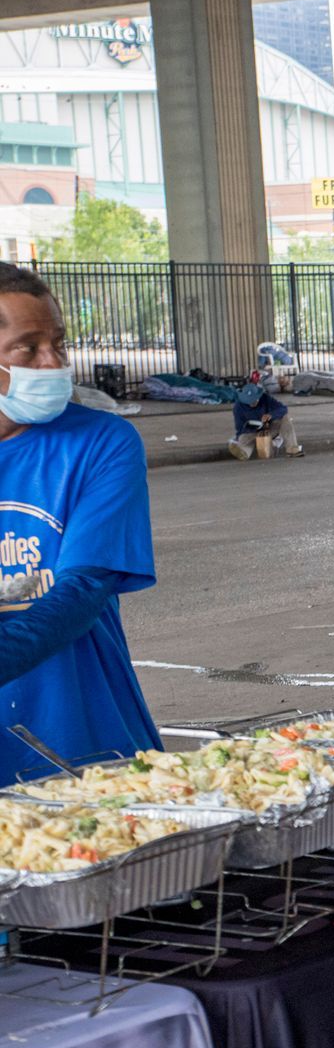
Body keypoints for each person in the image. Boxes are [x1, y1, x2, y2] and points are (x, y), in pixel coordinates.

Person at [0, 264, 160, 783]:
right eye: (27, 347)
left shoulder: (101, 442)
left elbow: (85, 589)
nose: (52, 363)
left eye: (58, 343)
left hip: (82, 734)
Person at [227, 377, 302, 459]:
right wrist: (245, 433)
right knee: (243, 439)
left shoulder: (265, 398)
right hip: (252, 433)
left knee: (285, 418)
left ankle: (292, 449)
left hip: (269, 429)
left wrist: (271, 415)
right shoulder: (238, 407)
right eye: (250, 401)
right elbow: (239, 428)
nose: (253, 403)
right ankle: (243, 453)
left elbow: (283, 409)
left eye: (255, 400)